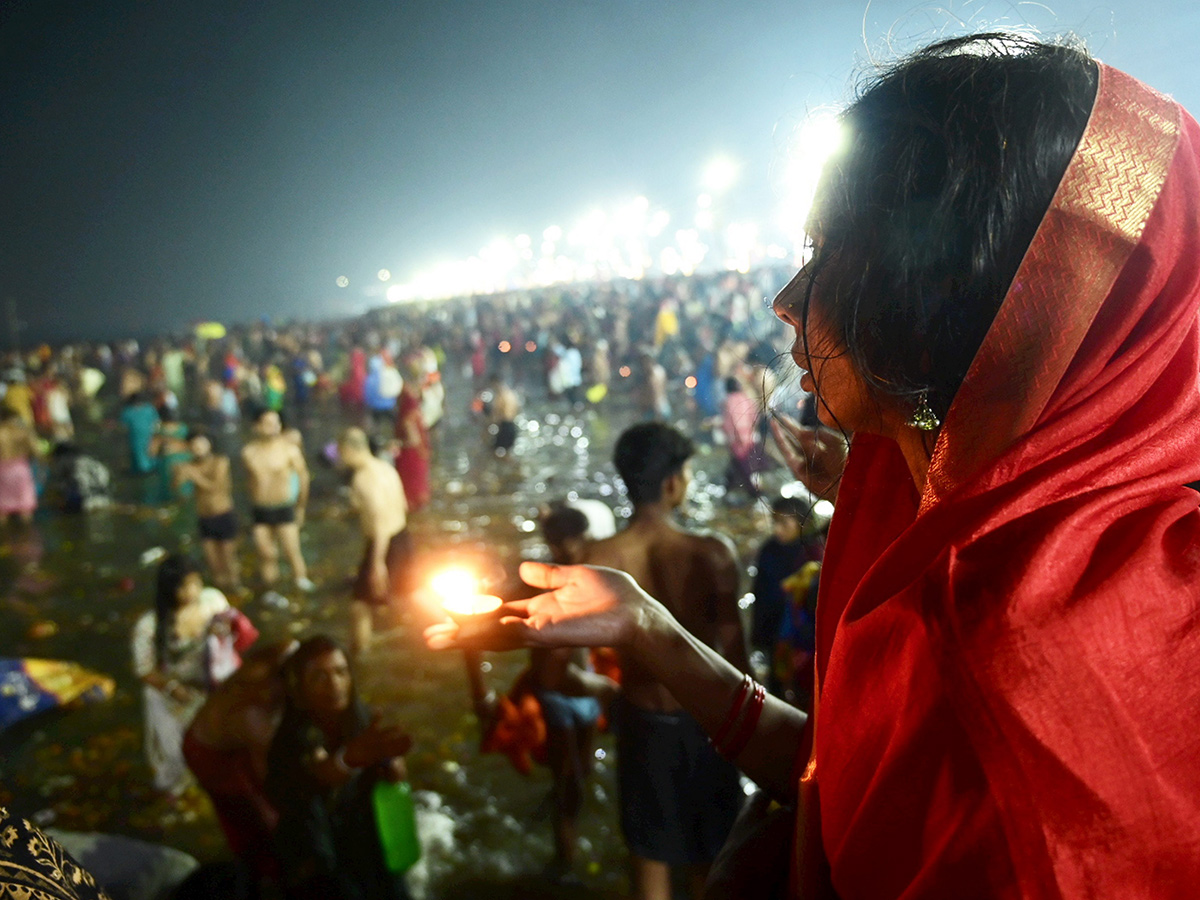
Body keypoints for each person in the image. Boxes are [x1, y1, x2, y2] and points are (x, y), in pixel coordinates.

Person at [429, 35, 1200, 898]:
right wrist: (644, 626)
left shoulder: (1029, 700)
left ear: (954, 305)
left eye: (830, 257)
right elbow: (854, 785)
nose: (786, 302)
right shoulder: (985, 533)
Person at [588, 422, 748, 900]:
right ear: (674, 482)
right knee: (711, 859)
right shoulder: (713, 555)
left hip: (641, 723)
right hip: (708, 722)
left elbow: (578, 664)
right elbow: (738, 666)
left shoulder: (600, 558)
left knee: (650, 858)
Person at [265, 635, 413, 900]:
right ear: (301, 688)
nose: (334, 685)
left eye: (340, 672)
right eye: (319, 677)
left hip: (364, 839)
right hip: (316, 849)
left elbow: (391, 773)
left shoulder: (360, 719)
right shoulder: (291, 738)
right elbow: (315, 776)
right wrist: (350, 759)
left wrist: (392, 768)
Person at [131, 555, 254, 795]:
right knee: (176, 750)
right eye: (183, 586)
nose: (191, 592)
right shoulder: (150, 625)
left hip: (215, 683)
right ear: (168, 590)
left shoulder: (213, 601)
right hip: (173, 692)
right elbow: (144, 670)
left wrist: (225, 630)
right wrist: (171, 687)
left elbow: (234, 631)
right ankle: (178, 789)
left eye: (195, 583)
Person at [184, 640, 296, 880]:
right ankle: (262, 872)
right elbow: (267, 784)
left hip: (215, 730)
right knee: (250, 815)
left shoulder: (282, 655)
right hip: (207, 752)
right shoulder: (254, 715)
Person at [339, 427, 412, 658]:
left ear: (348, 450)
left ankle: (360, 658)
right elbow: (403, 505)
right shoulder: (386, 467)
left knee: (359, 606)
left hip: (384, 545)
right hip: (403, 537)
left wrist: (377, 563)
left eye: (340, 453)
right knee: (409, 594)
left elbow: (379, 522)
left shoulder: (363, 478)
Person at [241, 408, 313, 593]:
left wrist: (301, 507)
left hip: (284, 507)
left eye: (276, 423)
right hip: (261, 508)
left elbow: (303, 478)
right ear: (257, 427)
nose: (273, 427)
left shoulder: (289, 450)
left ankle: (301, 581)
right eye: (268, 423)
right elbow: (249, 482)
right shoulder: (249, 452)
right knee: (266, 554)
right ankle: (272, 591)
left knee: (291, 551)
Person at [174, 431, 243, 594]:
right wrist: (178, 477)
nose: (198, 448)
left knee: (228, 561)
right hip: (204, 519)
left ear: (209, 444)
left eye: (201, 444)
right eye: (194, 445)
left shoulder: (220, 461)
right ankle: (220, 595)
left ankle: (236, 590)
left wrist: (194, 475)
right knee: (213, 564)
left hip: (224, 516)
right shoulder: (188, 466)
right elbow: (180, 495)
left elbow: (215, 487)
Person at [393, 363, 431, 513]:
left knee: (409, 498)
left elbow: (411, 435)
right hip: (417, 454)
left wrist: (398, 444)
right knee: (416, 497)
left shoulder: (407, 400)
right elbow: (414, 434)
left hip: (410, 455)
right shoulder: (412, 400)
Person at [0, 407, 38, 525]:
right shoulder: (22, 431)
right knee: (25, 507)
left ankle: (4, 538)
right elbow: (35, 450)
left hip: (3, 471)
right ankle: (28, 536)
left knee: (3, 508)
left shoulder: (1, 432)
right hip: (21, 469)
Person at [120, 392, 160, 475]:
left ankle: (145, 469)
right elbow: (156, 422)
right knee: (141, 451)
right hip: (140, 435)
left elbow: (123, 426)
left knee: (143, 451)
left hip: (142, 435)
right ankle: (141, 468)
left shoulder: (146, 409)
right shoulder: (147, 409)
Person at [488, 371, 520, 456]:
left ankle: (516, 467)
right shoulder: (511, 393)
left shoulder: (500, 395)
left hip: (505, 427)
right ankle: (515, 467)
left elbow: (496, 413)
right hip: (512, 426)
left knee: (496, 453)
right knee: (505, 453)